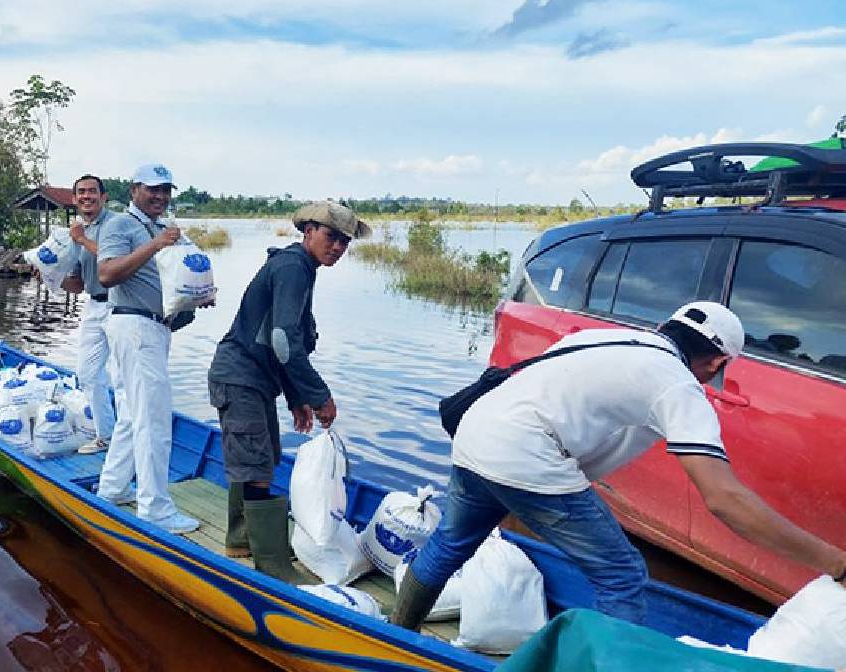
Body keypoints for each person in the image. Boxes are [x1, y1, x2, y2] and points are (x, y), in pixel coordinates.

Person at [392, 301, 846, 629]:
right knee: (623, 575)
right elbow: (725, 499)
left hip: (474, 435)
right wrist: (834, 562)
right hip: (527, 456)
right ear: (717, 361)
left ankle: (398, 632)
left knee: (451, 542)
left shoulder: (604, 337)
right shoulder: (676, 384)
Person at [207, 201, 369, 582]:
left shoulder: (300, 267)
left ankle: (241, 539)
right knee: (258, 464)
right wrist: (318, 394)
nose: (338, 248)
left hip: (255, 379)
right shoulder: (293, 267)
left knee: (262, 458)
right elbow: (282, 341)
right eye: (331, 237)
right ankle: (273, 565)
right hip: (240, 376)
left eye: (345, 242)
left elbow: (278, 340)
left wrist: (295, 397)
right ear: (308, 230)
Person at [94, 163, 200, 534]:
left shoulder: (162, 229)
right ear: (134, 189)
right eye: (152, 189)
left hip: (153, 328)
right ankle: (155, 507)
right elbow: (106, 274)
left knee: (130, 413)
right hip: (135, 326)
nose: (160, 196)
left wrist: (195, 294)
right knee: (153, 418)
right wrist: (156, 245)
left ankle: (113, 487)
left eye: (165, 190)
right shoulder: (120, 225)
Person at [60, 173, 117, 454]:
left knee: (124, 377)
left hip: (123, 306)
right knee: (88, 374)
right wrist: (52, 276)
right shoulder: (76, 233)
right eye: (81, 192)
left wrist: (82, 240)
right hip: (94, 305)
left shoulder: (117, 224)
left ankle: (129, 438)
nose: (86, 196)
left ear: (103, 197)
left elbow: (115, 262)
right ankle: (106, 436)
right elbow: (77, 284)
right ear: (74, 199)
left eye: (92, 191)